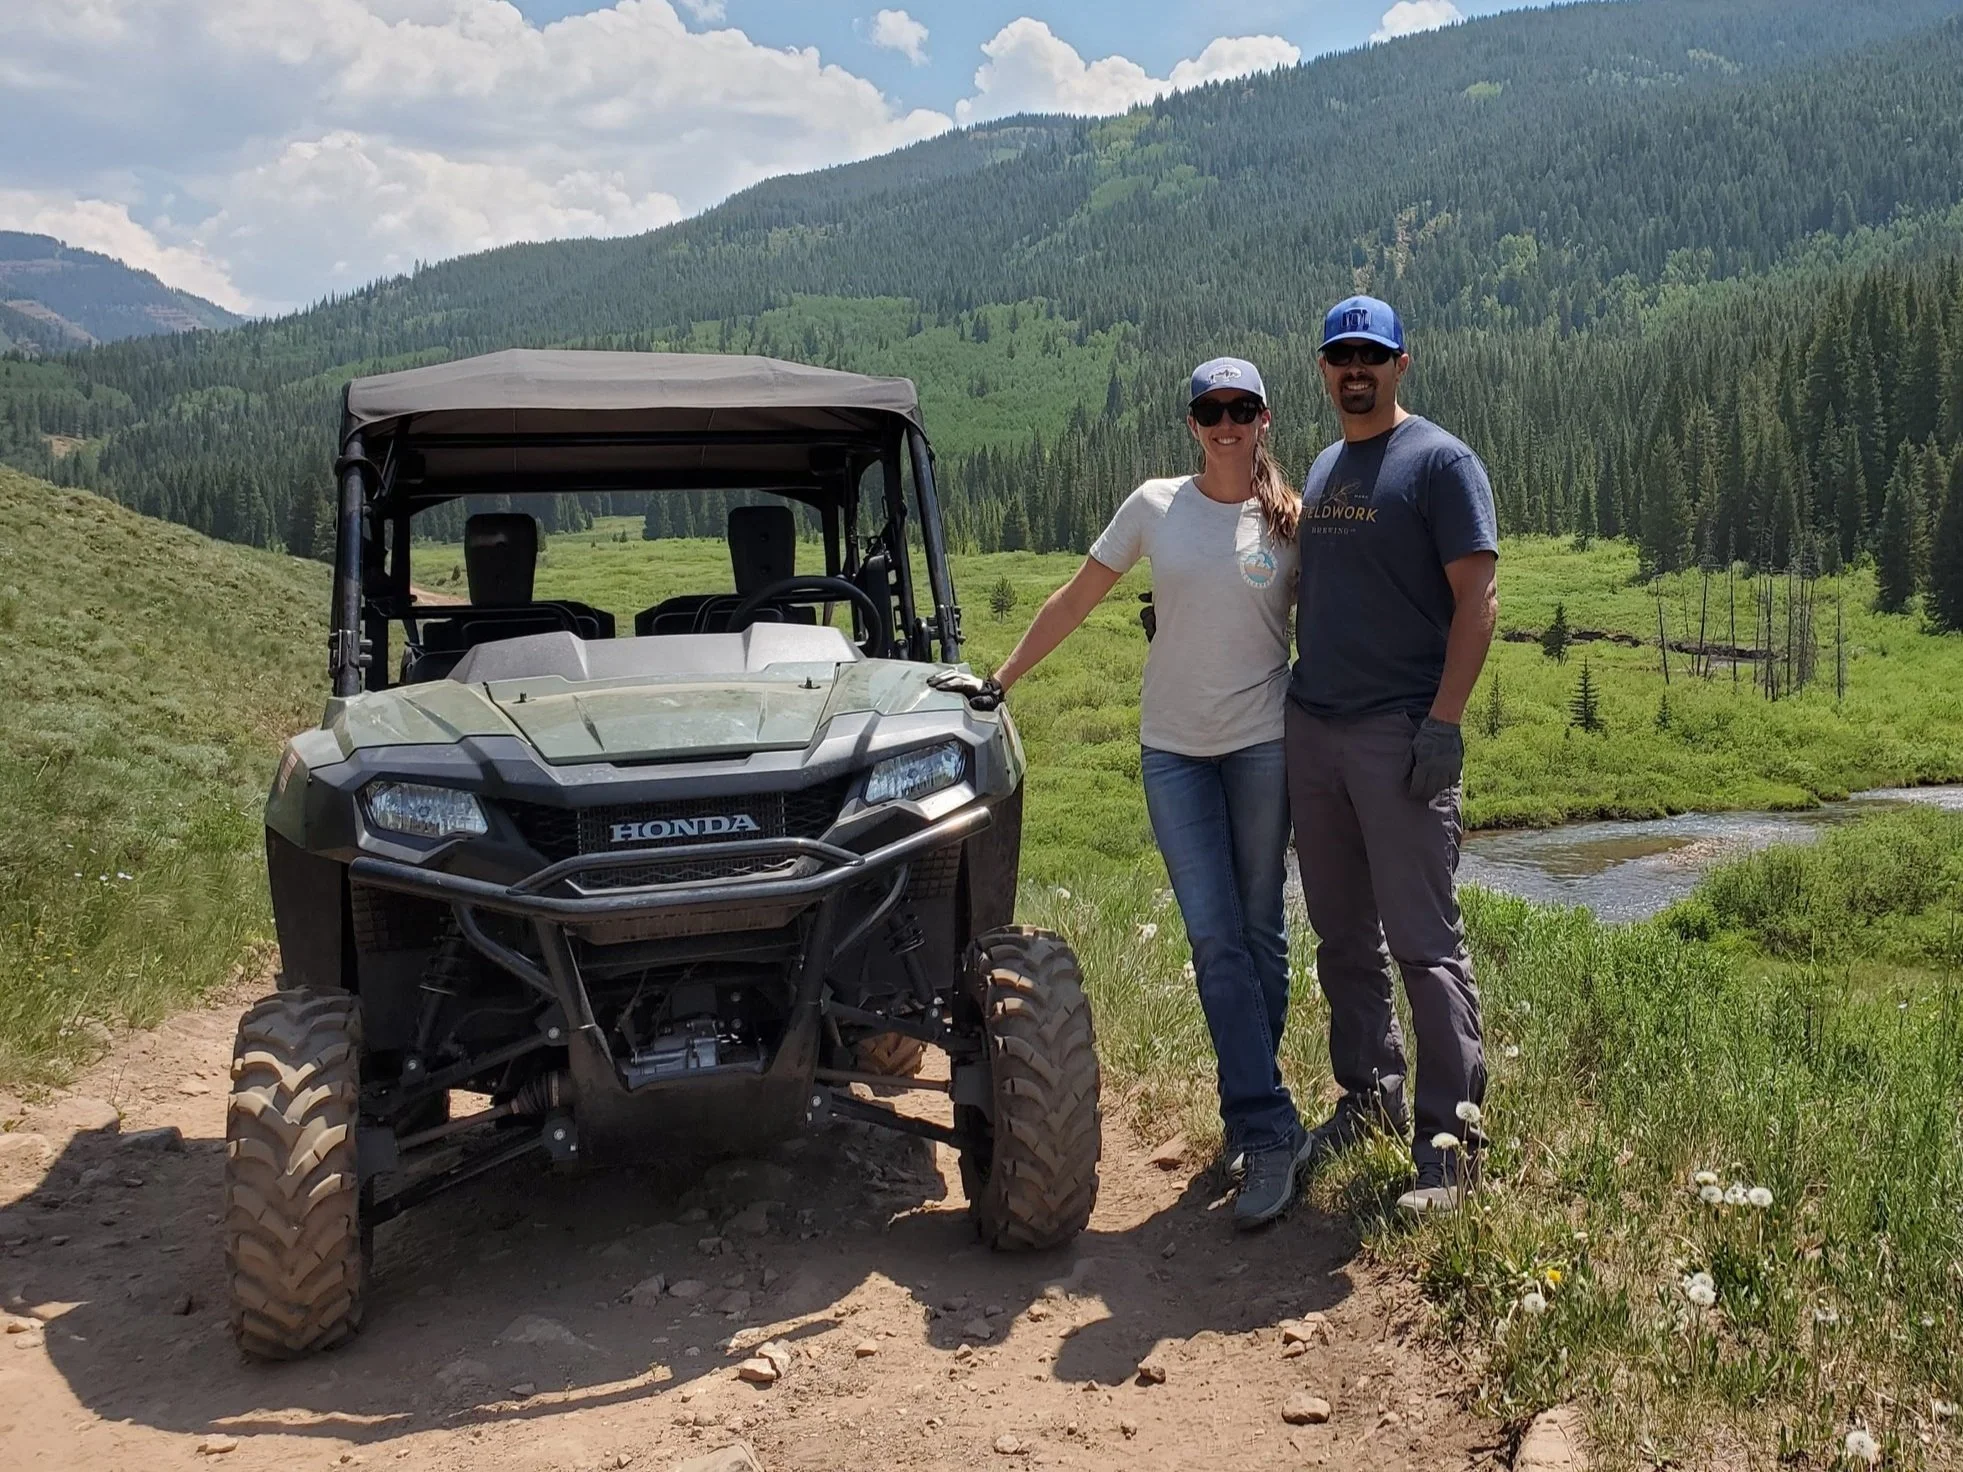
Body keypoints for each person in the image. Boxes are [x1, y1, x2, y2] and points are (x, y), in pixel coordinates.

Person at [936, 357, 1309, 1228]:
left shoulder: (1289, 521)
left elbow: (1335, 625)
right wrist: (1000, 680)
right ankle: (1268, 1128)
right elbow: (1076, 599)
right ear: (1191, 423)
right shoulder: (1153, 506)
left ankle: (1248, 1109)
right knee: (1215, 939)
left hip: (1263, 747)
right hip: (1173, 752)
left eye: (1241, 409)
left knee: (1259, 934)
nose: (1225, 424)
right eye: (1210, 410)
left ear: (1264, 418)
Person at [1285, 296, 1500, 1215]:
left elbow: (1478, 601)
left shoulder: (1440, 463)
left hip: (1396, 731)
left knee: (1423, 945)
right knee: (1341, 936)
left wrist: (1443, 723)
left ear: (1400, 364)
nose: (1355, 369)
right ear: (1323, 369)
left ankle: (1449, 1145)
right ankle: (1367, 1096)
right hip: (1314, 729)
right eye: (1340, 356)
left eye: (1370, 355)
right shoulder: (1325, 465)